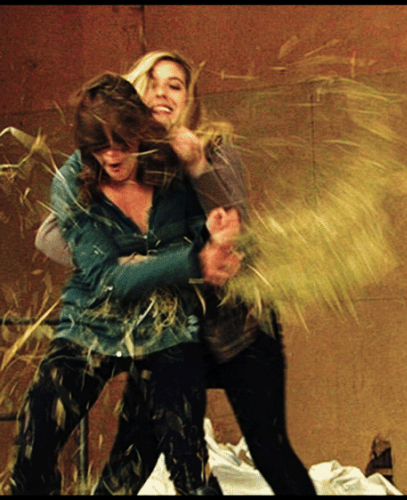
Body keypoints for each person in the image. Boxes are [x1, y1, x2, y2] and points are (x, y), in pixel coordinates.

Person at [35, 50, 317, 495]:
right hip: (168, 332)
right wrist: (120, 261)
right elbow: (50, 234)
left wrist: (197, 166)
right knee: (134, 449)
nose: (162, 93)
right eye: (152, 83)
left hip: (237, 330)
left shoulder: (211, 149)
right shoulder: (116, 159)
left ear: (189, 99)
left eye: (175, 85)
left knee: (269, 449)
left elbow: (238, 231)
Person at [10, 72, 240, 496]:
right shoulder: (70, 182)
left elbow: (209, 225)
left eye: (121, 142)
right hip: (93, 321)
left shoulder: (170, 162)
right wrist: (193, 259)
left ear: (140, 131)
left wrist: (216, 239)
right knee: (36, 432)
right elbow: (107, 277)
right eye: (99, 147)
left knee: (183, 459)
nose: (112, 155)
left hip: (167, 326)